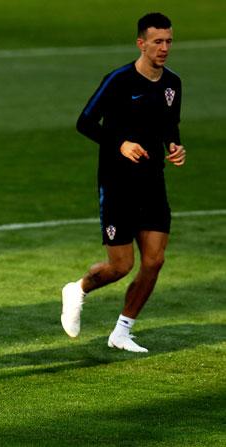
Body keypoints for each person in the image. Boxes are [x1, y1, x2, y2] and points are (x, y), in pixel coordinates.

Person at [61, 12, 186, 352]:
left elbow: (169, 126)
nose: (164, 48)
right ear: (141, 43)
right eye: (157, 41)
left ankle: (122, 331)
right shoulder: (119, 80)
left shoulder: (173, 83)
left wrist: (174, 146)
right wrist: (119, 143)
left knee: (155, 260)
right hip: (117, 184)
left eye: (169, 41)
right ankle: (79, 289)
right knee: (121, 265)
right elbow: (85, 122)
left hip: (152, 182)